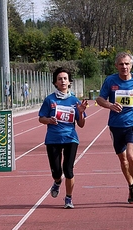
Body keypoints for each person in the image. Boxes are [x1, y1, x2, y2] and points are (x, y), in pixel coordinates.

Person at [96, 52, 133, 204]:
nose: (124, 67)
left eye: (127, 64)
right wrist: (110, 105)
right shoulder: (110, 81)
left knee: (131, 156)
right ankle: (131, 186)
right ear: (116, 66)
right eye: (121, 64)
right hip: (115, 125)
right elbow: (99, 99)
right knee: (123, 160)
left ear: (131, 65)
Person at [38, 67, 88, 209]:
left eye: (65, 78)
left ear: (69, 82)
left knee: (68, 169)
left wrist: (80, 112)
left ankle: (68, 198)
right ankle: (57, 182)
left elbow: (81, 124)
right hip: (53, 139)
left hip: (70, 138)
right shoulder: (50, 100)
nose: (63, 81)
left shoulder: (75, 101)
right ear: (55, 82)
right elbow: (41, 118)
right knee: (56, 171)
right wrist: (49, 120)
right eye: (60, 79)